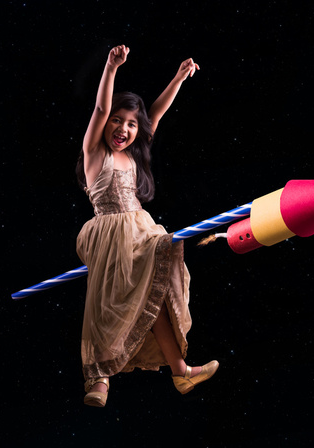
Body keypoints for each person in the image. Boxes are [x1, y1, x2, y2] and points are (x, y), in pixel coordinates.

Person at [75, 45, 218, 407]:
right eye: (118, 121)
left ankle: (181, 371)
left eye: (131, 124)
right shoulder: (96, 153)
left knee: (152, 303)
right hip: (109, 233)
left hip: (141, 233)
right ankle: (99, 378)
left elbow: (155, 114)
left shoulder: (133, 154)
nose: (123, 128)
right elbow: (101, 108)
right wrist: (110, 67)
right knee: (106, 303)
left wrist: (179, 78)